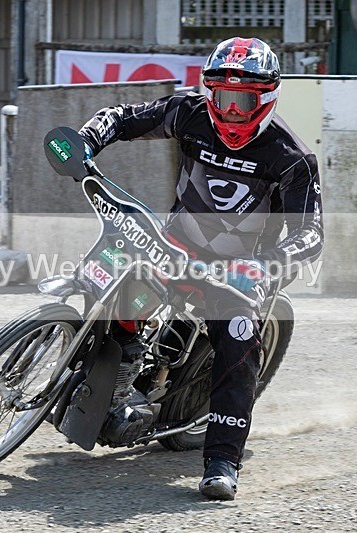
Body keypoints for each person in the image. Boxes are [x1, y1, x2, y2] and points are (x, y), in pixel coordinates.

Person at [77, 37, 323, 500]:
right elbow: (126, 118)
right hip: (173, 246)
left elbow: (311, 238)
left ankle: (223, 461)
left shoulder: (291, 158)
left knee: (236, 340)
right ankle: (119, 364)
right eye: (220, 97)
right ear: (208, 92)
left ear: (266, 97)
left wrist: (263, 265)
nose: (229, 110)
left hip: (242, 273)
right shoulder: (189, 111)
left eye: (241, 100)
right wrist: (86, 140)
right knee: (114, 278)